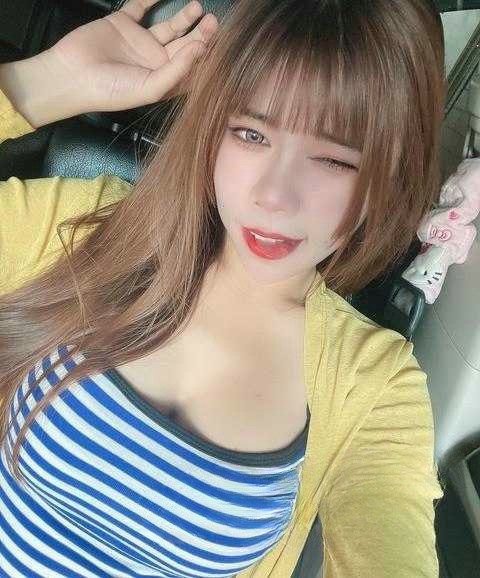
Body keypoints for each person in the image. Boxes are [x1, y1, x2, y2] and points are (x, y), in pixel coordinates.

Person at [0, 0, 447, 577]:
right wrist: (48, 82)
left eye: (335, 159)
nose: (274, 196)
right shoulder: (80, 227)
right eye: (251, 133)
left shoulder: (375, 385)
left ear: (394, 171)